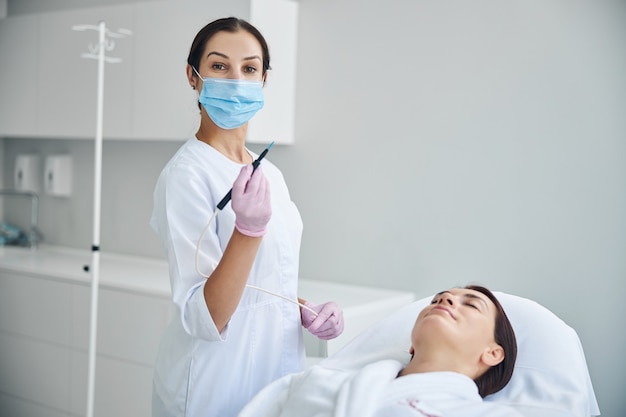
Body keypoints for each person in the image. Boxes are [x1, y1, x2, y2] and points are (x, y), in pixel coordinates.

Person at [150, 17, 344, 417]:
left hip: (277, 371)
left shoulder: (268, 173)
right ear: (193, 75)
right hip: (213, 381)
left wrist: (304, 308)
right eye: (220, 66)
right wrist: (247, 230)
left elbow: (261, 280)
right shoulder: (185, 175)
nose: (236, 80)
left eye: (249, 68)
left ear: (264, 80)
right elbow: (204, 315)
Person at [238, 285, 521, 417]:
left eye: (470, 305)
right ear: (412, 344)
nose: (445, 298)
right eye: (437, 298)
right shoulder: (318, 382)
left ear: (493, 353)